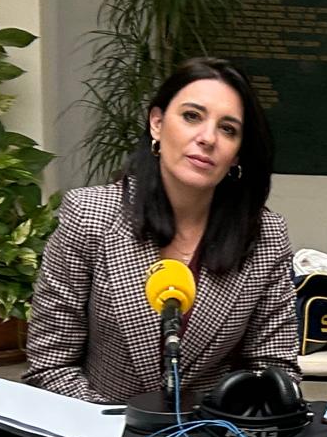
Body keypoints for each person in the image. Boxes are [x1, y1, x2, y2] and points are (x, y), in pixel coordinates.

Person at [25, 57, 300, 403]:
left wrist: (228, 422)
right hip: (99, 426)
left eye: (228, 129)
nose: (207, 138)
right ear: (157, 123)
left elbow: (274, 370)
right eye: (192, 116)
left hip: (213, 430)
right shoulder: (89, 215)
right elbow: (50, 365)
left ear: (237, 155)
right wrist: (116, 426)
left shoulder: (265, 236)